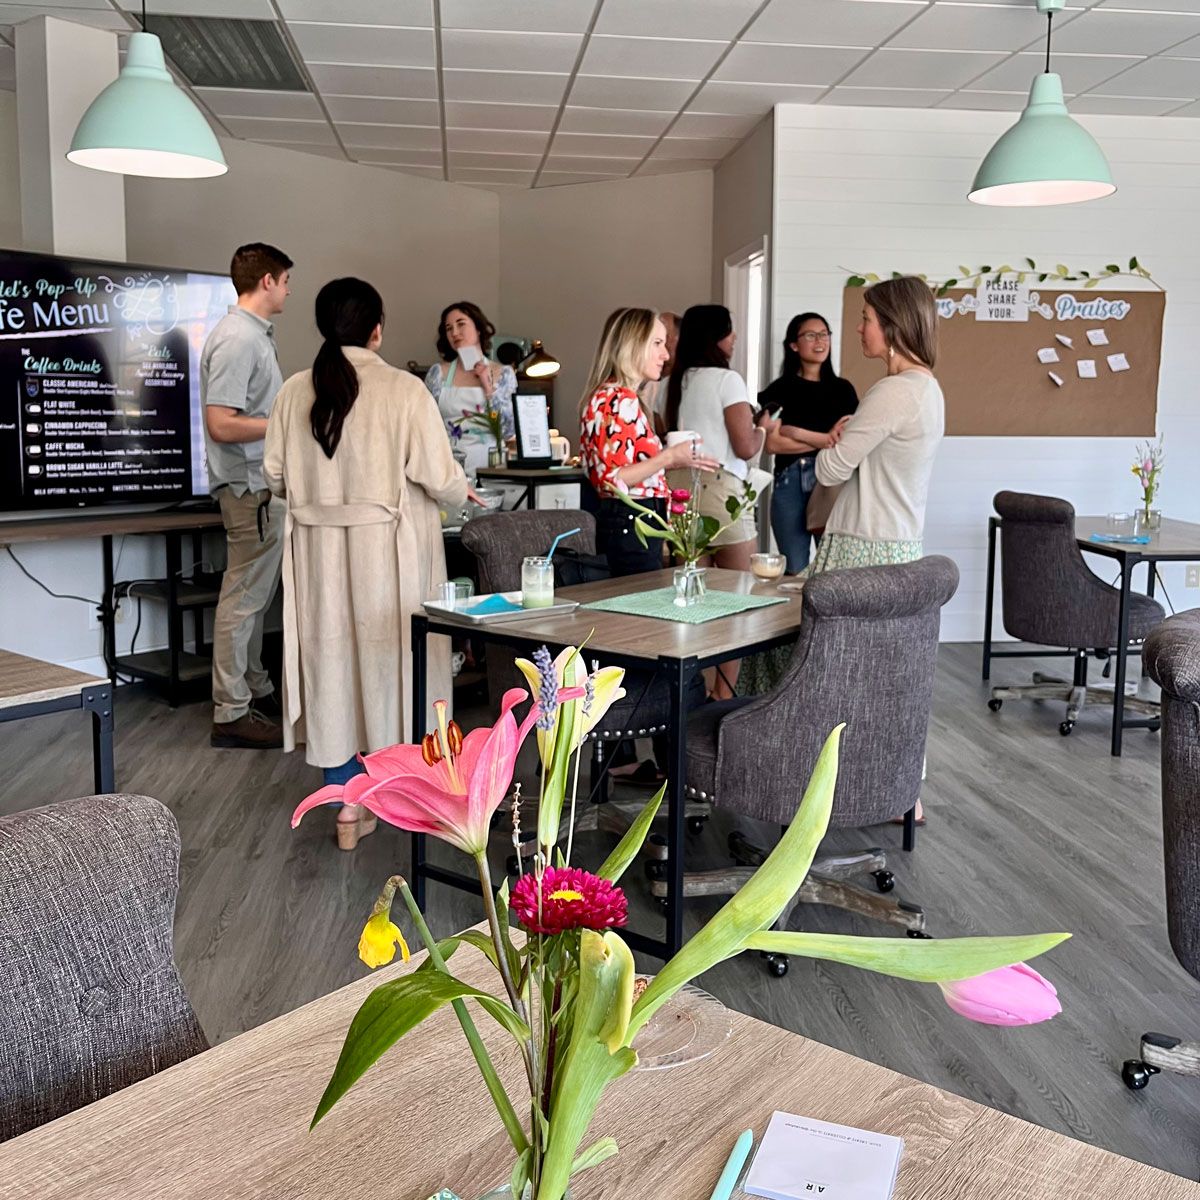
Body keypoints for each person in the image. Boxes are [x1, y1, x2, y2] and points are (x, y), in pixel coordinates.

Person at [264, 278, 472, 850]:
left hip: (318, 559)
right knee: (394, 672)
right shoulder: (404, 391)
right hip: (392, 554)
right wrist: (464, 492)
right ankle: (402, 796)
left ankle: (347, 808)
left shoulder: (292, 392)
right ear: (376, 328)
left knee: (332, 670)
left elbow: (275, 477)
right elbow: (440, 476)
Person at [203, 242, 292, 750]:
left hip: (258, 489)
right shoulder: (239, 339)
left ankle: (254, 690)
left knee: (254, 599)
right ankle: (232, 710)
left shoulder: (251, 335)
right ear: (267, 281)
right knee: (242, 600)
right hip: (250, 490)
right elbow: (222, 423)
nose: (287, 290)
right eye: (285, 282)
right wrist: (286, 422)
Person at [664, 304, 779, 697]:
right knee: (738, 597)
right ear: (717, 337)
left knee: (691, 600)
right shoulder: (727, 380)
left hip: (680, 490)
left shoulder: (673, 380)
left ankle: (691, 690)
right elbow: (745, 448)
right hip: (720, 491)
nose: (734, 340)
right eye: (730, 333)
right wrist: (763, 430)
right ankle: (722, 694)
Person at [579, 307, 719, 577]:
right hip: (631, 522)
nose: (665, 355)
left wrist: (674, 459)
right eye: (657, 343)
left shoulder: (611, 397)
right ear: (632, 345)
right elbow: (613, 479)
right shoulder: (619, 400)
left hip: (626, 520)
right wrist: (669, 457)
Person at [760, 312, 859, 574]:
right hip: (790, 481)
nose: (820, 341)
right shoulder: (779, 390)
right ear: (794, 344)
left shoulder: (843, 390)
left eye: (824, 334)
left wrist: (796, 431)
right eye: (811, 335)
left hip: (831, 481)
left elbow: (846, 441)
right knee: (794, 570)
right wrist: (824, 439)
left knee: (832, 569)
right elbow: (772, 445)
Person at [424, 301, 517, 474]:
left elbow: (507, 430)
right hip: (449, 468)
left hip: (491, 466)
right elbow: (425, 425)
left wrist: (488, 387)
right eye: (449, 328)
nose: (455, 333)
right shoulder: (438, 373)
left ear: (478, 329)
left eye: (461, 324)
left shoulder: (503, 373)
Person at [643, 309, 679, 437]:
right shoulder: (623, 398)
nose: (663, 352)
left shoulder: (688, 384)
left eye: (666, 339)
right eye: (657, 342)